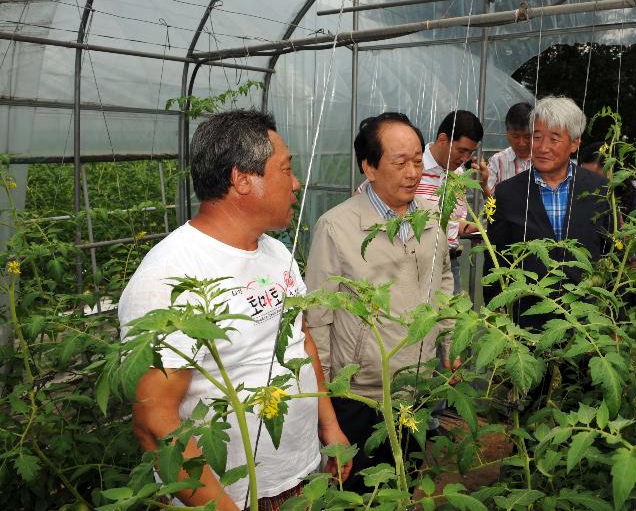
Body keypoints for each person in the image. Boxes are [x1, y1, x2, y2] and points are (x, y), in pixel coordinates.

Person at [119, 110, 350, 510]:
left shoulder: (276, 251)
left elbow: (300, 341)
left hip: (302, 473)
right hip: (233, 496)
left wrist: (329, 427)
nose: (296, 184)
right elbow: (155, 422)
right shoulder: (169, 275)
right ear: (242, 179)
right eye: (285, 169)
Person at [305, 112, 455, 493]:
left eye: (418, 160)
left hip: (418, 391)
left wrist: (451, 343)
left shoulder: (431, 218)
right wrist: (326, 404)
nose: (413, 172)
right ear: (369, 167)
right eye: (399, 162)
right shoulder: (336, 227)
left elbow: (445, 284)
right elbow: (318, 316)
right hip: (362, 396)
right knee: (361, 494)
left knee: (404, 485)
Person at [488, 96, 614, 330]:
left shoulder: (600, 191)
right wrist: (497, 314)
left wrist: (611, 316)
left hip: (585, 323)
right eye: (537, 137)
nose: (542, 147)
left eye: (554, 139)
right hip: (526, 323)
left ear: (575, 143)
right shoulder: (507, 194)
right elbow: (495, 259)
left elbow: (610, 254)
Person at [416, 109, 485, 293]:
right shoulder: (414, 166)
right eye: (461, 150)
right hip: (416, 262)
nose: (464, 159)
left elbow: (453, 220)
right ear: (442, 139)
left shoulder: (459, 174)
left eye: (469, 153)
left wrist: (470, 228)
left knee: (450, 319)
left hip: (449, 262)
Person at [579, 140, 636, 225]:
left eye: (596, 177)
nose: (590, 182)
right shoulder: (577, 197)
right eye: (585, 176)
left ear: (616, 174)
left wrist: (624, 232)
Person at [486, 102, 534, 196]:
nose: (521, 143)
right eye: (515, 136)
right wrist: (483, 184)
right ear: (507, 132)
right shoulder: (497, 161)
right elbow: (489, 200)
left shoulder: (543, 160)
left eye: (527, 137)